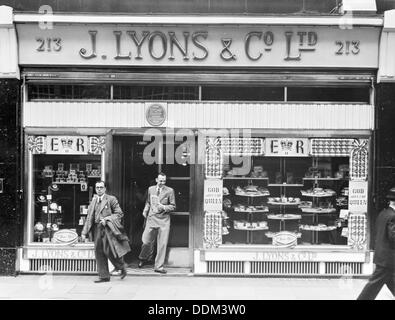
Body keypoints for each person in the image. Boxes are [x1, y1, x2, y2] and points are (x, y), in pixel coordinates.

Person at [81, 180, 130, 283]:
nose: (99, 189)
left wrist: (107, 219)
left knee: (109, 250)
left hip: (108, 229)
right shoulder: (93, 201)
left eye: (101, 187)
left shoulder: (111, 199)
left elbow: (119, 214)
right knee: (99, 251)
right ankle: (104, 276)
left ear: (105, 188)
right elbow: (89, 217)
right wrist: (84, 233)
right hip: (96, 229)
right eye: (97, 187)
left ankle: (121, 266)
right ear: (95, 189)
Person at [357, 186, 395, 300]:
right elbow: (393, 236)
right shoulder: (393, 216)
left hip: (382, 256)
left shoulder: (383, 213)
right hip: (388, 259)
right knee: (373, 286)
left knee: (390, 281)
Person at [138, 172, 176, 274]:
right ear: (156, 180)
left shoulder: (170, 191)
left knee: (162, 244)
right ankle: (143, 257)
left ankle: (158, 267)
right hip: (151, 218)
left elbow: (173, 206)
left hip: (164, 220)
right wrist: (145, 211)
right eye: (160, 180)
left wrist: (163, 207)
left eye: (164, 181)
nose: (162, 183)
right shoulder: (151, 189)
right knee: (146, 240)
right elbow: (148, 202)